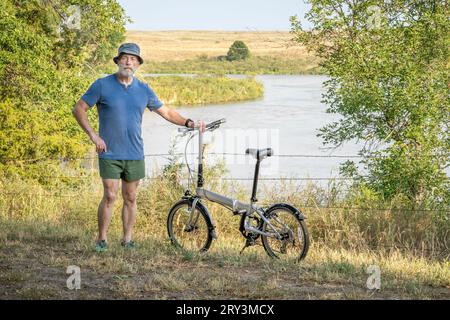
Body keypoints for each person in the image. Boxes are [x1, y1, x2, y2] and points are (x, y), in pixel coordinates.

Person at [72, 43, 205, 252]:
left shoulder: (143, 89)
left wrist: (189, 122)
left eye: (133, 59)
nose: (128, 61)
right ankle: (102, 240)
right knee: (110, 195)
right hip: (109, 152)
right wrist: (93, 135)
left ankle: (127, 240)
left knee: (131, 197)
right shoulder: (102, 85)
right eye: (124, 57)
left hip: (134, 153)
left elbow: (167, 112)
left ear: (138, 64)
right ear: (118, 61)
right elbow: (79, 108)